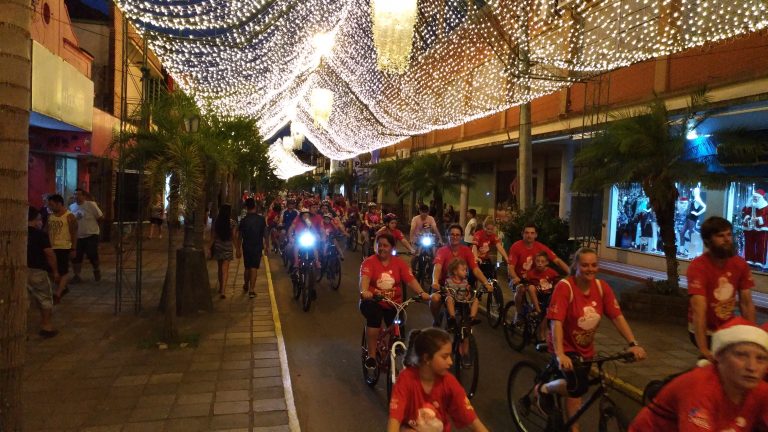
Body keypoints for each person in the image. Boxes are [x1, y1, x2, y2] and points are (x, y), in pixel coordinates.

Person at [536, 247, 646, 432]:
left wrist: (633, 343)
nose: (590, 269)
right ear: (576, 266)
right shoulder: (566, 287)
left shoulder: (602, 288)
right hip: (563, 345)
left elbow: (617, 317)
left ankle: (574, 428)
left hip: (585, 349)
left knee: (576, 392)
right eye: (585, 265)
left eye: (594, 265)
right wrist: (561, 354)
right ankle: (544, 389)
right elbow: (556, 323)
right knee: (577, 387)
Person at [630, 317, 768, 431]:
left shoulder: (760, 390)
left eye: (761, 358)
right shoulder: (699, 387)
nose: (752, 367)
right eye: (741, 355)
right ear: (718, 357)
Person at [388, 328, 489, 432]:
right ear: (426, 358)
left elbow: (471, 418)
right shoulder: (406, 379)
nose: (450, 362)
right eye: (445, 357)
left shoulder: (449, 382)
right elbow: (395, 418)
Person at [688, 216, 756, 362]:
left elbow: (746, 303)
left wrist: (752, 334)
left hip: (726, 326)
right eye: (720, 236)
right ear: (707, 241)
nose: (727, 239)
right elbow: (699, 310)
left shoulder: (740, 264)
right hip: (704, 329)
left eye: (729, 234)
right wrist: (703, 349)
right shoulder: (698, 267)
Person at [360, 232, 430, 369]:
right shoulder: (369, 262)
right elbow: (364, 280)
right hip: (373, 302)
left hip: (393, 303)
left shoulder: (399, 263)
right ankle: (372, 356)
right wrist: (365, 292)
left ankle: (393, 351)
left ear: (392, 248)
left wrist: (422, 293)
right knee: (374, 319)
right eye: (379, 245)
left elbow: (410, 280)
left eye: (385, 245)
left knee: (399, 324)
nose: (381, 248)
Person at [430, 224, 493, 326]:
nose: (455, 237)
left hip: (461, 285)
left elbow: (476, 269)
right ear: (448, 236)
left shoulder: (466, 251)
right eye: (452, 234)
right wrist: (435, 281)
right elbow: (437, 267)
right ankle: (436, 319)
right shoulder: (442, 251)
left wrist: (486, 283)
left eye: (457, 235)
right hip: (444, 286)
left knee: (473, 299)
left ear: (461, 237)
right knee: (434, 298)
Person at [508, 224, 570, 325]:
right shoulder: (516, 247)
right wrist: (515, 277)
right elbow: (510, 267)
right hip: (518, 278)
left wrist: (572, 273)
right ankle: (519, 314)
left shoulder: (540, 247)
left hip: (534, 278)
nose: (529, 235)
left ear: (536, 235)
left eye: (532, 233)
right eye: (527, 233)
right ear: (522, 234)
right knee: (521, 289)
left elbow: (557, 260)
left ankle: (537, 312)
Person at [27, 206, 59, 338]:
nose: (41, 222)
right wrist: (55, 271)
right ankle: (46, 326)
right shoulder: (40, 235)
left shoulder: (16, 233)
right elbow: (49, 254)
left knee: (23, 300)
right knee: (45, 299)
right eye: (39, 219)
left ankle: (20, 329)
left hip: (21, 271)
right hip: (38, 271)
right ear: (34, 220)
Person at [46, 194, 77, 303]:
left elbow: (74, 233)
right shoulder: (50, 216)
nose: (50, 207)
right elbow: (47, 230)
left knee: (63, 271)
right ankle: (63, 287)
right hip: (52, 246)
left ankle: (58, 294)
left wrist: (73, 248)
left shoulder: (69, 216)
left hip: (64, 247)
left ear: (59, 204)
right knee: (51, 270)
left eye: (52, 205)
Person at [69, 188, 103, 283]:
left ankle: (96, 269)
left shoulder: (91, 205)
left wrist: (95, 228)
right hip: (78, 236)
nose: (77, 196)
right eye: (75, 194)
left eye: (79, 194)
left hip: (91, 234)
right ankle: (77, 275)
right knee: (76, 256)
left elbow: (100, 217)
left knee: (92, 254)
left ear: (84, 196)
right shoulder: (72, 207)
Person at [236, 198, 267, 299]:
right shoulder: (261, 219)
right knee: (254, 267)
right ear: (255, 207)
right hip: (257, 246)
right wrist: (267, 246)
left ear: (246, 207)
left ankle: (246, 284)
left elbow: (239, 236)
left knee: (247, 267)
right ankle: (252, 289)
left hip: (246, 246)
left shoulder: (244, 220)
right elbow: (265, 234)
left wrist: (238, 249)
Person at [525, 252, 561, 341]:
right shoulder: (531, 273)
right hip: (538, 296)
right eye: (538, 261)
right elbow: (526, 284)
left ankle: (544, 330)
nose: (540, 263)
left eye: (542, 261)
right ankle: (537, 310)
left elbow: (558, 282)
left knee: (548, 313)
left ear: (546, 263)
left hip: (549, 296)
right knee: (531, 287)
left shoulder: (552, 273)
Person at [443, 258, 480, 331]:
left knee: (475, 300)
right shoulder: (448, 281)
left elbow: (467, 292)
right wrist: (448, 293)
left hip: (463, 299)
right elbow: (447, 291)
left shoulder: (465, 282)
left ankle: (472, 318)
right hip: (454, 300)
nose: (465, 272)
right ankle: (452, 317)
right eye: (463, 270)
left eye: (466, 270)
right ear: (455, 272)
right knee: (449, 299)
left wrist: (468, 295)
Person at [210, 204, 238, 299]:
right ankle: (223, 290)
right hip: (227, 247)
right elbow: (234, 236)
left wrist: (209, 247)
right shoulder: (232, 223)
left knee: (219, 268)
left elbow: (213, 236)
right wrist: (238, 248)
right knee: (225, 269)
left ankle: (220, 287)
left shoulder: (217, 222)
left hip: (218, 246)